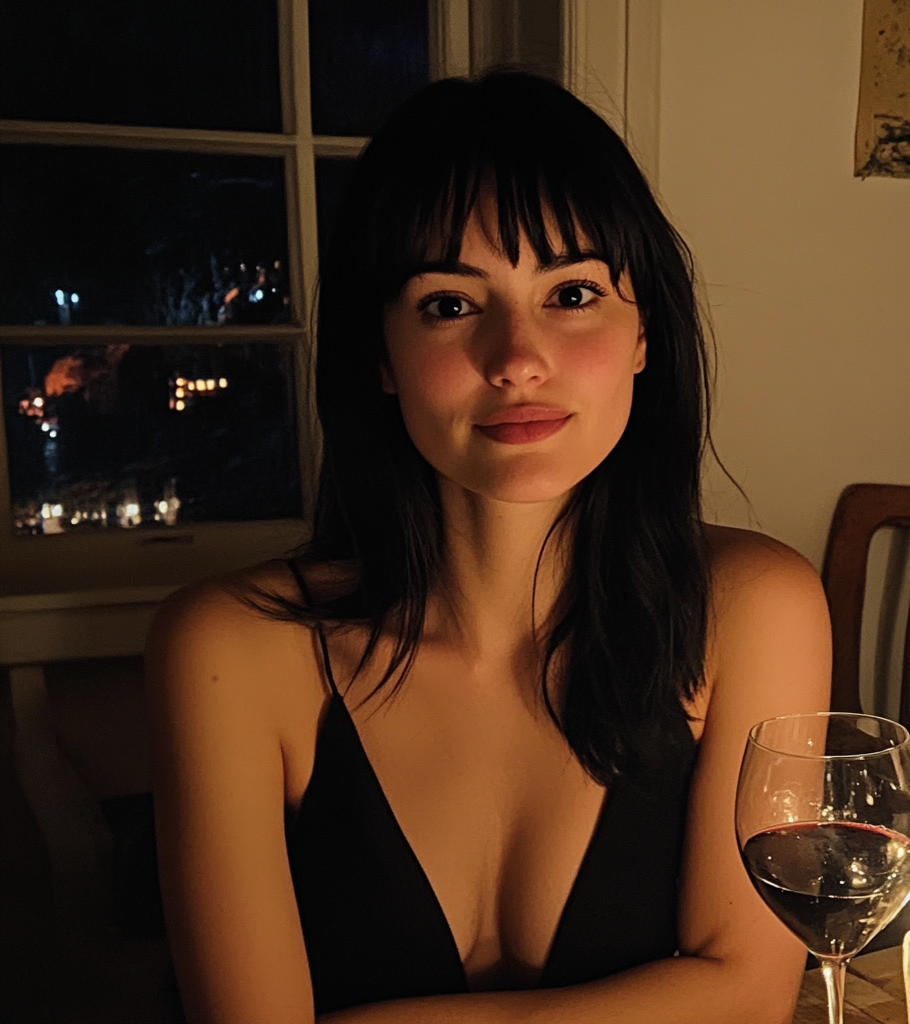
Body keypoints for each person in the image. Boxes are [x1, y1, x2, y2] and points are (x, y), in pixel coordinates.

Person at [146, 71, 831, 1024]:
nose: (516, 357)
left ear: (645, 337)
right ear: (380, 357)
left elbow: (750, 995)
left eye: (574, 292)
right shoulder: (227, 651)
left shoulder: (756, 607)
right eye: (449, 304)